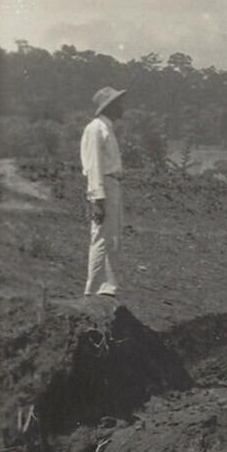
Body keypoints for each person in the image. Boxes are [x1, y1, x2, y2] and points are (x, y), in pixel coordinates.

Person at [80, 86, 128, 297]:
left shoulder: (107, 129)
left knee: (112, 237)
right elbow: (93, 165)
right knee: (101, 236)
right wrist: (97, 198)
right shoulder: (95, 129)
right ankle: (94, 288)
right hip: (104, 185)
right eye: (118, 103)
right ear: (109, 106)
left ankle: (107, 286)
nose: (122, 106)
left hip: (112, 184)